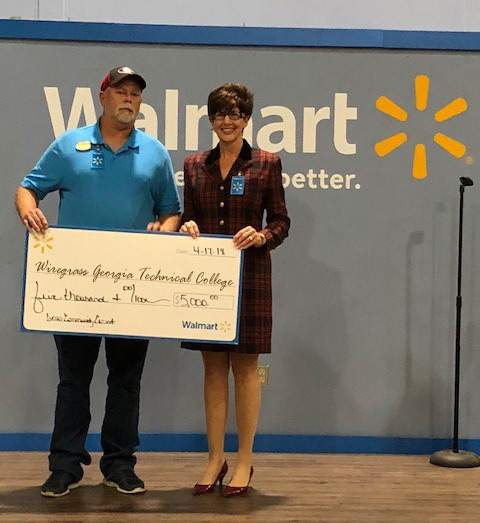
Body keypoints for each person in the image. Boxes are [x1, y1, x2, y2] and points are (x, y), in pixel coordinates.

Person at [14, 66, 181, 497]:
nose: (129, 99)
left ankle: (119, 465)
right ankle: (65, 466)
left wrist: (166, 228)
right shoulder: (69, 146)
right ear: (103, 96)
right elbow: (27, 188)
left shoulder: (155, 153)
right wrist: (28, 208)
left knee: (126, 379)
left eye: (136, 95)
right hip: (77, 288)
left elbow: (170, 210)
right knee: (73, 378)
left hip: (134, 287)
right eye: (121, 92)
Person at [180, 83, 290, 497]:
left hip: (251, 278)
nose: (227, 121)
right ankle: (214, 457)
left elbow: (281, 222)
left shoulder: (266, 162)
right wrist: (188, 226)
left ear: (247, 118)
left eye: (235, 114)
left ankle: (244, 459)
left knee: (245, 371)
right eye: (219, 114)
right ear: (211, 119)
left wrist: (262, 236)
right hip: (206, 282)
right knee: (211, 370)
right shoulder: (193, 166)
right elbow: (189, 215)